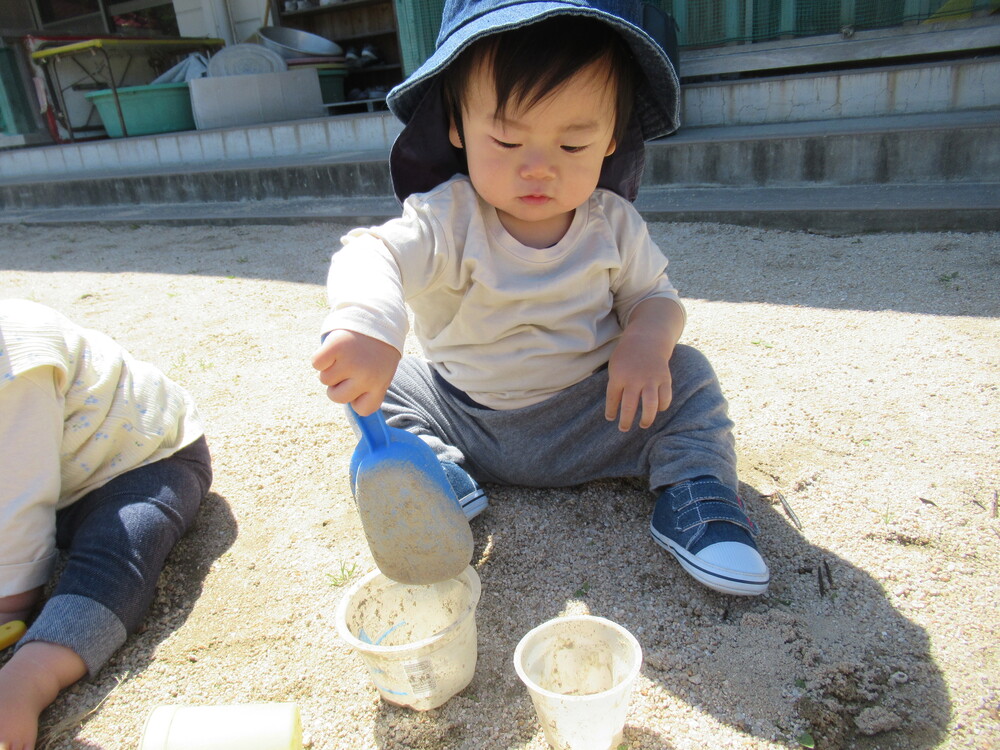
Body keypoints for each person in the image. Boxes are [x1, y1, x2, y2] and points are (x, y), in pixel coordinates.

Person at [311, 0, 770, 597]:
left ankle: (696, 494)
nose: (538, 169)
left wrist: (645, 340)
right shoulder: (444, 218)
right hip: (469, 417)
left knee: (687, 373)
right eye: (505, 140)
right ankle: (434, 469)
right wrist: (370, 323)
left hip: (600, 413)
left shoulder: (613, 224)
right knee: (397, 386)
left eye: (573, 146)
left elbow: (656, 297)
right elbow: (372, 253)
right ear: (457, 125)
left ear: (611, 141)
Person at [0, 299, 212, 750]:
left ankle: (29, 678)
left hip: (139, 464)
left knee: (121, 548)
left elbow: (20, 495)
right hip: (45, 476)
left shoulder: (16, 357)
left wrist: (9, 604)